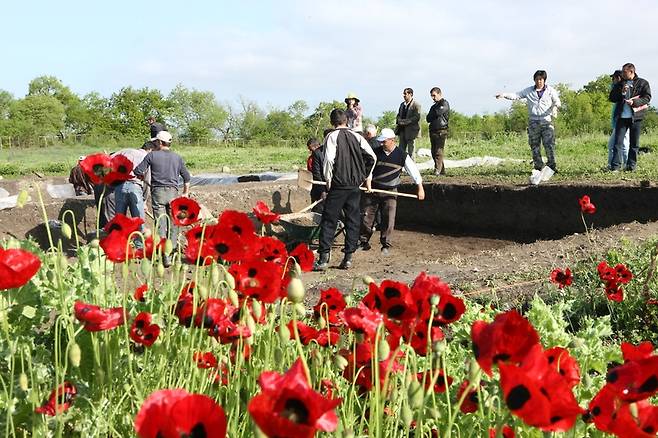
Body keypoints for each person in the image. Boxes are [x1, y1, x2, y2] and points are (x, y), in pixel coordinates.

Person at [313, 109, 376, 271]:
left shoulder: (331, 137)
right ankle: (348, 258)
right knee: (353, 220)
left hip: (338, 185)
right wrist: (364, 176)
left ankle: (324, 258)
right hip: (354, 186)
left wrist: (328, 181)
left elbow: (328, 160)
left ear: (332, 122)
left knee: (329, 220)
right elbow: (372, 157)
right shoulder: (357, 136)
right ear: (346, 120)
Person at [359, 128, 425, 255]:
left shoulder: (402, 155)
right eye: (381, 141)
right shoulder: (375, 152)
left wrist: (420, 188)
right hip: (373, 189)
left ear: (392, 140)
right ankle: (363, 242)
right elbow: (369, 169)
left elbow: (413, 171)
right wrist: (368, 182)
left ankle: (385, 245)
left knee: (388, 218)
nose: (382, 144)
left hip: (390, 190)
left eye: (384, 141)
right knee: (366, 216)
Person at [133, 131, 191, 267]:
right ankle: (170, 253)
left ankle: (163, 252)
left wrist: (141, 177)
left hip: (158, 192)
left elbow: (137, 171)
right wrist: (185, 193)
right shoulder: (177, 157)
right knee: (174, 223)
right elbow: (187, 177)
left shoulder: (152, 155)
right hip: (173, 193)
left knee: (160, 223)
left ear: (159, 142)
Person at [496, 70, 561, 180]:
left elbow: (557, 102)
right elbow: (517, 95)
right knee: (534, 146)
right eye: (537, 79)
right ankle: (538, 167)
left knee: (549, 145)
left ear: (544, 80)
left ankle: (552, 167)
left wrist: (554, 108)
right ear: (534, 80)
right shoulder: (529, 91)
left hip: (547, 122)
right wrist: (504, 95)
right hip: (534, 123)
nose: (539, 81)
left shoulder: (550, 90)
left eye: (541, 79)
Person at [609, 63, 652, 172]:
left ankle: (631, 166)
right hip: (621, 117)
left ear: (631, 72)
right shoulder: (620, 84)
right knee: (617, 143)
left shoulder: (643, 83)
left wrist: (635, 102)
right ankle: (615, 167)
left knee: (634, 143)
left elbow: (647, 97)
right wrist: (621, 92)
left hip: (636, 117)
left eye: (624, 72)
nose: (622, 74)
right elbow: (612, 98)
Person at [112, 142, 154, 245]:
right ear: (150, 150)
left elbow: (110, 159)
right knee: (138, 219)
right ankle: (139, 246)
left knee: (119, 218)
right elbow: (147, 178)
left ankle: (119, 244)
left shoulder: (125, 151)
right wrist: (144, 200)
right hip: (135, 186)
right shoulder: (146, 157)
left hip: (119, 186)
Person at [607, 70, 629, 170]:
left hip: (623, 120)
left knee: (622, 144)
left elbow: (617, 99)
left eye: (613, 78)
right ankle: (613, 165)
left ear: (618, 78)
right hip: (618, 120)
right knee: (613, 145)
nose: (612, 81)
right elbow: (612, 98)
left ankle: (625, 165)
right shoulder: (617, 88)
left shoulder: (624, 88)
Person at [426, 87, 450, 175]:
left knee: (438, 151)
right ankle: (442, 170)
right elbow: (428, 118)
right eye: (431, 96)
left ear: (439, 94)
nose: (433, 97)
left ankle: (437, 170)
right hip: (433, 130)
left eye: (434, 95)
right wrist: (433, 113)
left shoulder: (444, 103)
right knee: (433, 151)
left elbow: (437, 113)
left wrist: (433, 113)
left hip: (441, 130)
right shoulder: (433, 106)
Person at [395, 88, 421, 157]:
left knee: (411, 152)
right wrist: (398, 120)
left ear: (410, 94)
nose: (403, 95)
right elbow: (398, 115)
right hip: (402, 130)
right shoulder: (402, 105)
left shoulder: (416, 104)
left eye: (405, 94)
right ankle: (401, 166)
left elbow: (416, 117)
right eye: (404, 93)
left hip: (411, 132)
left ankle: (412, 166)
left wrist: (405, 122)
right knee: (401, 151)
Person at [306, 138, 326, 205]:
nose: (310, 151)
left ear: (317, 146)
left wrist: (322, 190)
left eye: (311, 149)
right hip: (316, 184)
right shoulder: (310, 159)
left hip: (322, 184)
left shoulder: (325, 155)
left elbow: (317, 173)